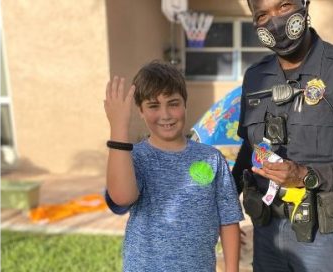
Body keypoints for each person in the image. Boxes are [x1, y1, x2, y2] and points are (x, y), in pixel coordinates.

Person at [232, 0, 333, 271]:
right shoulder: (255, 78)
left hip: (323, 236)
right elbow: (249, 150)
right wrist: (218, 202)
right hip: (266, 231)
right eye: (262, 15)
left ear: (304, 4)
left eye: (283, 6)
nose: (275, 21)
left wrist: (306, 175)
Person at [103, 61, 244, 272]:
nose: (166, 114)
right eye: (153, 106)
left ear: (185, 104)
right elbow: (121, 197)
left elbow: (229, 219)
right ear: (140, 111)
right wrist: (118, 128)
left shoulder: (212, 158)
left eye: (173, 103)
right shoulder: (134, 157)